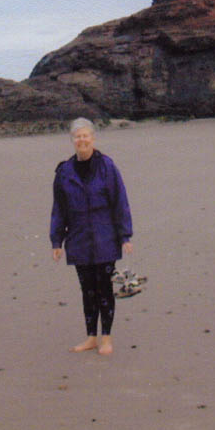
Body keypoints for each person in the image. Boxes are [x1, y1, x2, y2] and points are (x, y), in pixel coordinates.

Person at [50, 117, 133, 355]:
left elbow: (120, 202)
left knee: (104, 287)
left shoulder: (107, 167)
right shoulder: (64, 172)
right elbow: (59, 209)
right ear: (72, 141)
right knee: (87, 290)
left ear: (93, 138)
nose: (82, 140)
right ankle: (91, 337)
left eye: (85, 135)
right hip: (78, 239)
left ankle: (106, 337)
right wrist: (57, 241)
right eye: (77, 136)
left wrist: (125, 236)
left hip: (105, 237)